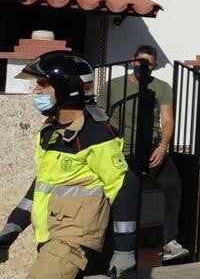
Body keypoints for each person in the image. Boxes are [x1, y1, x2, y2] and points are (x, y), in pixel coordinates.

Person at [0, 51, 139, 277]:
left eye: (44, 85)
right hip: (50, 233)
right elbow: (43, 184)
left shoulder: (96, 133)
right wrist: (13, 226)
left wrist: (124, 248)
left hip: (75, 238)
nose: (36, 91)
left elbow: (124, 186)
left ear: (67, 88)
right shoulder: (50, 131)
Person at [97, 45, 189, 263]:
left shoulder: (162, 87)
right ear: (133, 61)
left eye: (149, 64)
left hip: (151, 147)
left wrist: (163, 146)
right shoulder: (114, 85)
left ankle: (170, 242)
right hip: (121, 149)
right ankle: (113, 246)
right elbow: (101, 116)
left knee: (173, 185)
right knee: (125, 195)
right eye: (141, 62)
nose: (144, 67)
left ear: (155, 66)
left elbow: (167, 119)